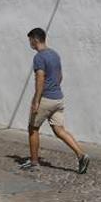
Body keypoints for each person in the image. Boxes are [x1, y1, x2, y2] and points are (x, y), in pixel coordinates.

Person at [23, 28, 90, 174]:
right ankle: (81, 155)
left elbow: (40, 79)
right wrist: (54, 88)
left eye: (30, 40)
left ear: (35, 39)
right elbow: (60, 77)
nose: (30, 43)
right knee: (59, 130)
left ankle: (34, 162)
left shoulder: (39, 57)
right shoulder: (55, 54)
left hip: (45, 99)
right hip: (58, 98)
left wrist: (36, 100)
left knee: (33, 128)